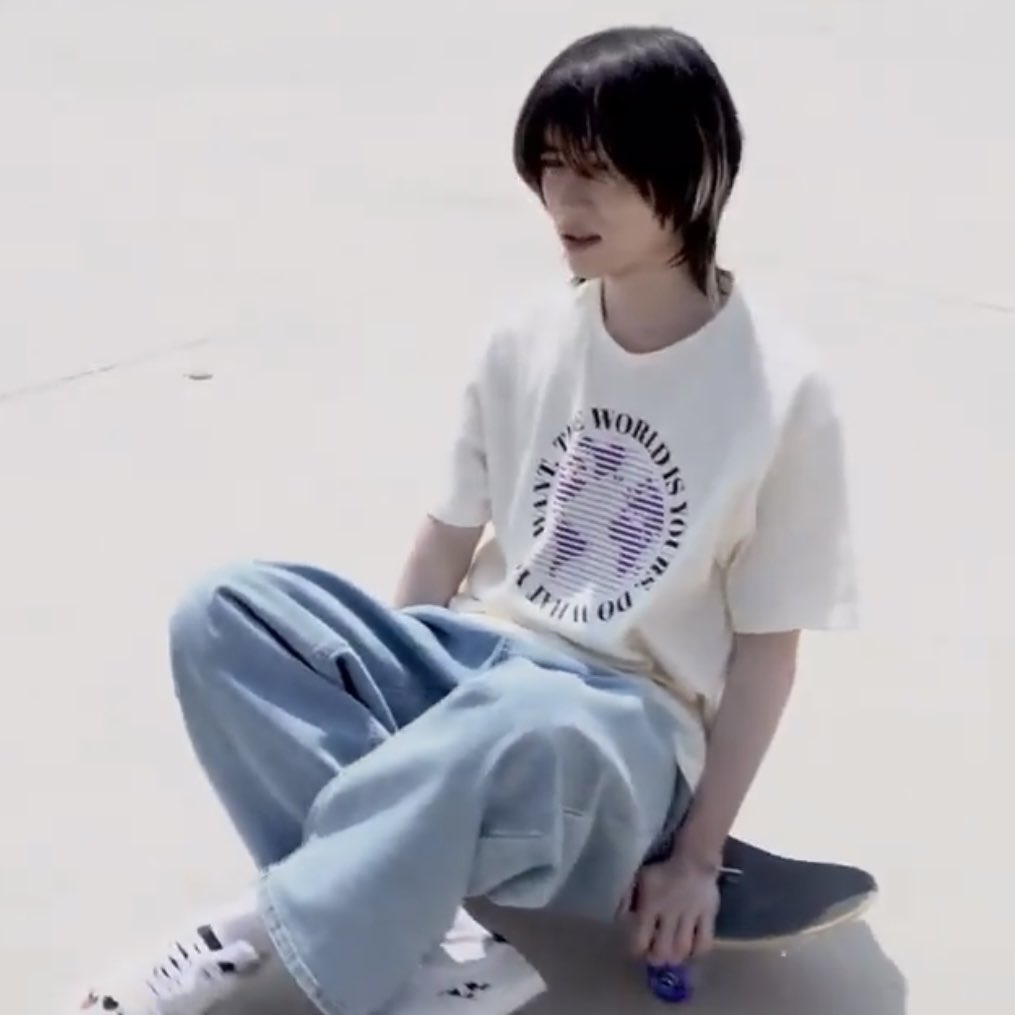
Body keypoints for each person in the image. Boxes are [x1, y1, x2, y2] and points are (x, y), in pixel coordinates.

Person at [74, 23, 857, 1015]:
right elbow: (446, 541)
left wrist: (697, 858)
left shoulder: (780, 392)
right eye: (548, 167)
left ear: (694, 173)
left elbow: (766, 654)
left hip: (619, 733)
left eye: (595, 172)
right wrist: (399, 724)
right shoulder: (525, 338)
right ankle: (431, 929)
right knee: (222, 609)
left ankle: (256, 932)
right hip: (474, 669)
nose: (561, 201)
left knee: (518, 714)